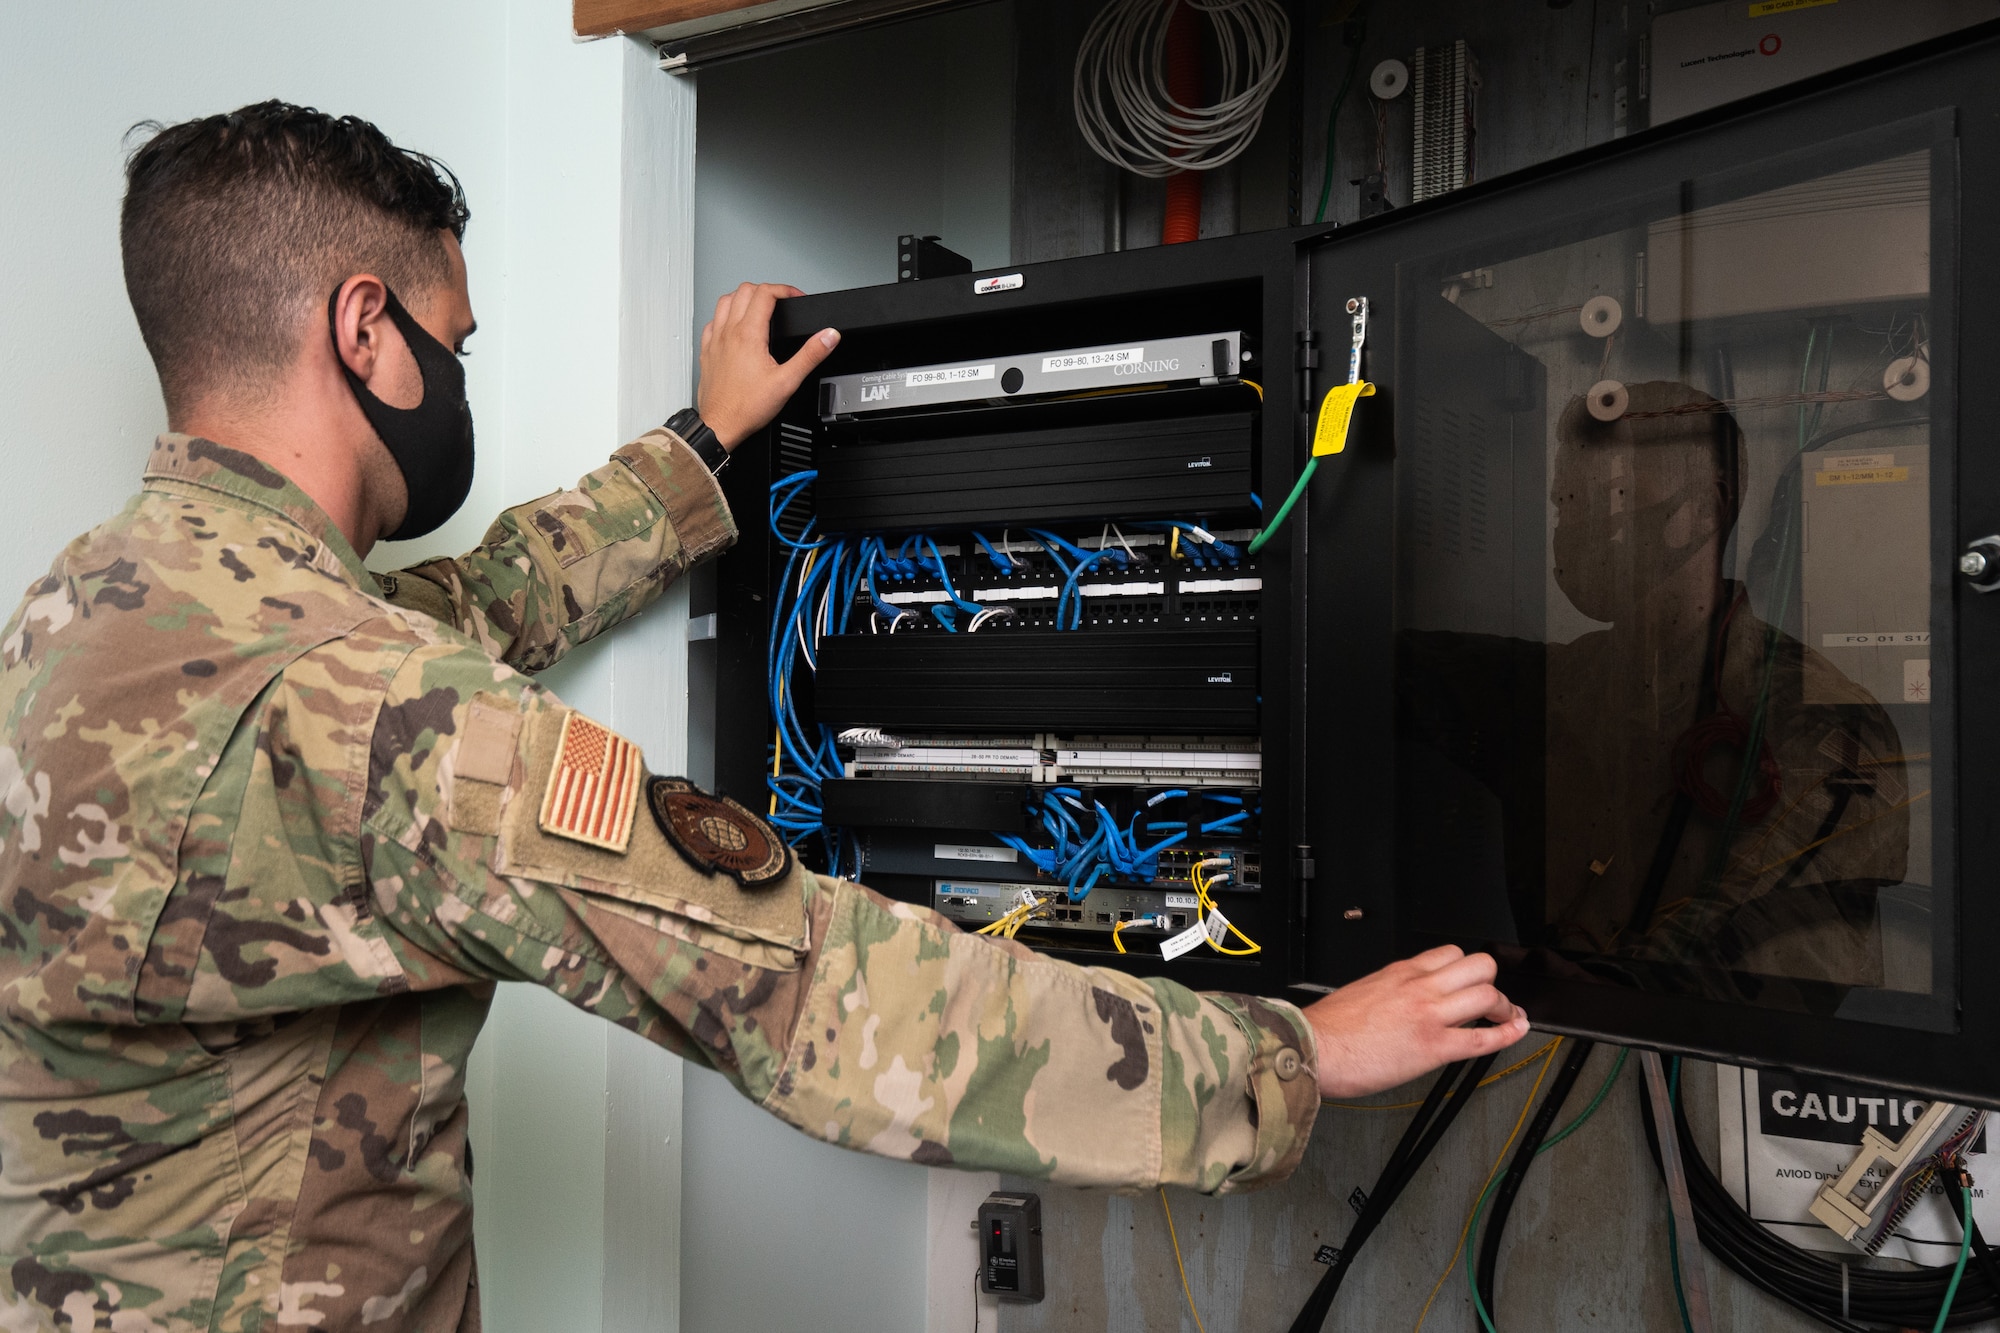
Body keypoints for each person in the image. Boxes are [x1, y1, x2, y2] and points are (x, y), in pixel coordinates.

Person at [0, 101, 1526, 1332]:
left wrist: (701, 450)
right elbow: (819, 990)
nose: (460, 377)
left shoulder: (88, 617)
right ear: (363, 328)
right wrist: (1288, 1054)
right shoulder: (380, 713)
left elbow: (466, 611)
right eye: (454, 344)